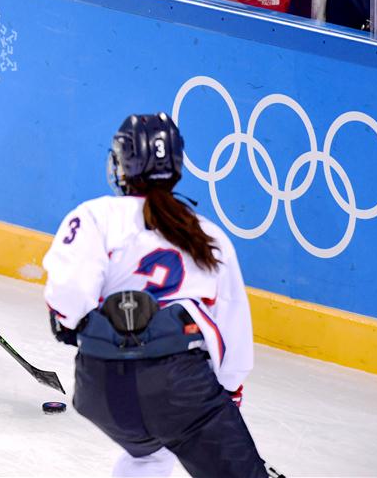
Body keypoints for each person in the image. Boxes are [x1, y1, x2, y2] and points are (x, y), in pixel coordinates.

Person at [43, 113, 281, 478]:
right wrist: (221, 408)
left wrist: (89, 330)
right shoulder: (209, 237)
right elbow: (235, 346)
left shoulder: (94, 216)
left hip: (100, 387)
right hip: (181, 391)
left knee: (149, 455)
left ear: (121, 163)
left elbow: (67, 302)